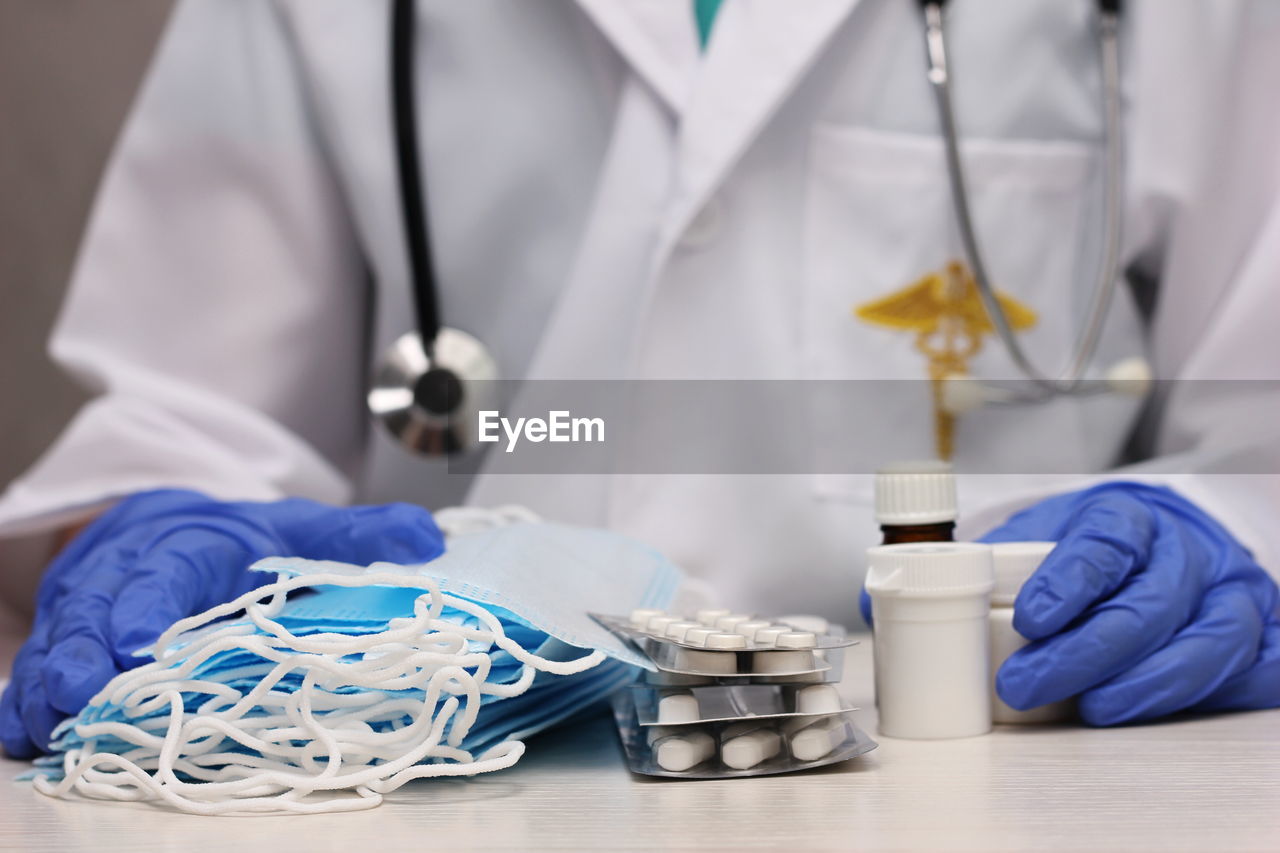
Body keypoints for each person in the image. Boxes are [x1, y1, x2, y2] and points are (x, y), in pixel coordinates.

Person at [2, 0, 1278, 757]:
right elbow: (188, 407)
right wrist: (141, 530)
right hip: (448, 767)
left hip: (1020, 764)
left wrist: (1224, 533)